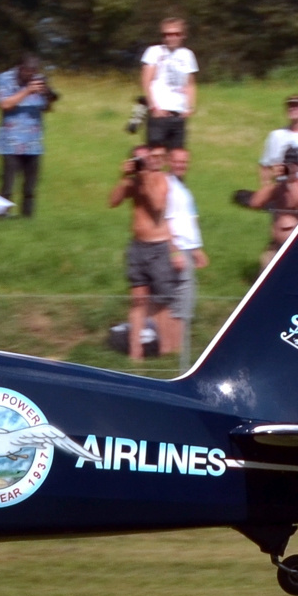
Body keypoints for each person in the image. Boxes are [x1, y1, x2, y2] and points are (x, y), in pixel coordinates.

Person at [108, 144, 180, 360]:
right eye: (138, 160)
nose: (143, 163)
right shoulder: (132, 182)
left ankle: (167, 350)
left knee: (160, 302)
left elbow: (157, 206)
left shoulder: (160, 179)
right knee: (138, 299)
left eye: (145, 159)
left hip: (158, 247)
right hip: (137, 247)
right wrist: (124, 177)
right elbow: (113, 201)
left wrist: (145, 177)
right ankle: (135, 354)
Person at [0, 55, 55, 220]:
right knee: (7, 184)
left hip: (33, 141)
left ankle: (27, 218)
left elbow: (46, 108)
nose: (31, 74)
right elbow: (4, 104)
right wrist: (27, 90)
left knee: (30, 186)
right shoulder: (3, 78)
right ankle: (1, 217)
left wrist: (47, 95)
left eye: (34, 70)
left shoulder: (39, 80)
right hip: (10, 141)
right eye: (28, 70)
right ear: (20, 67)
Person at [245, 146, 298, 266]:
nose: (289, 168)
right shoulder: (278, 187)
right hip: (275, 246)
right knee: (267, 279)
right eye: (287, 164)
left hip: (296, 245)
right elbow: (255, 202)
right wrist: (272, 182)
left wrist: (291, 183)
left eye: (293, 165)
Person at [165, 148, 207, 356]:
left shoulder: (183, 188)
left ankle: (175, 348)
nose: (181, 165)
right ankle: (174, 349)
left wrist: (197, 249)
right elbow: (164, 222)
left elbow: (189, 221)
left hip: (188, 248)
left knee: (184, 298)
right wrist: (174, 251)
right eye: (177, 161)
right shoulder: (167, 186)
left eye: (184, 162)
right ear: (168, 161)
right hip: (178, 249)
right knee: (181, 299)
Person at [140, 18, 196, 150]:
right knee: (155, 157)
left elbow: (190, 84)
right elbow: (145, 81)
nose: (171, 38)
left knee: (177, 158)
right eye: (166, 34)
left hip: (178, 115)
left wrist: (190, 107)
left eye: (175, 34)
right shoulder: (154, 52)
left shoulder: (187, 55)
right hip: (160, 114)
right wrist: (153, 107)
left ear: (183, 35)